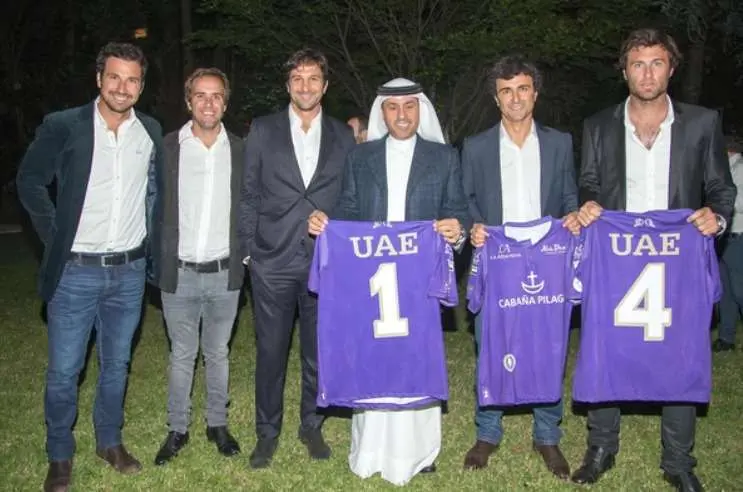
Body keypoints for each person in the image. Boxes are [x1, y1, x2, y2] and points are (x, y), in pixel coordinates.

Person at [573, 28, 735, 492]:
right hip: (617, 259)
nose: (647, 73)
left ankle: (679, 460)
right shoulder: (600, 124)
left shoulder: (702, 123)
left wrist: (717, 218)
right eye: (638, 64)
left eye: (657, 63)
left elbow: (722, 189)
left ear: (672, 68)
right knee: (605, 345)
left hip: (677, 259)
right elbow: (588, 182)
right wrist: (588, 204)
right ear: (624, 71)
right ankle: (602, 446)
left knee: (681, 351)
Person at [16, 42, 163, 492]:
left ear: (141, 85)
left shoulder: (151, 131)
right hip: (76, 271)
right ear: (99, 79)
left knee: (117, 364)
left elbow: (154, 194)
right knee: (65, 370)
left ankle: (109, 441)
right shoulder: (65, 126)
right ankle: (59, 454)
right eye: (115, 77)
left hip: (129, 272)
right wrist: (55, 236)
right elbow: (29, 181)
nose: (123, 87)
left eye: (132, 79)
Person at [308, 77, 470, 485]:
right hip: (373, 278)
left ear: (421, 110)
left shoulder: (444, 157)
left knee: (417, 359)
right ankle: (372, 448)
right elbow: (347, 207)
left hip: (418, 279)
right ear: (382, 112)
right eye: (393, 108)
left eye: (410, 107)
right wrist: (328, 225)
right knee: (374, 358)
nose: (402, 115)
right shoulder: (361, 158)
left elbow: (458, 210)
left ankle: (420, 451)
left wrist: (457, 229)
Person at [460, 55, 579, 478]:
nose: (515, 98)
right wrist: (474, 226)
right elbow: (466, 200)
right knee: (490, 343)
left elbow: (568, 195)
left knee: (548, 345)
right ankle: (488, 431)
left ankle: (547, 435)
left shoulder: (560, 142)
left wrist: (572, 217)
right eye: (506, 90)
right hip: (498, 260)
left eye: (523, 88)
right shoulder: (475, 147)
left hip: (546, 262)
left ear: (535, 93)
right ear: (497, 98)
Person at [238, 48, 355, 468]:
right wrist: (250, 252)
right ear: (287, 85)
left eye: (313, 79)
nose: (305, 86)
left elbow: (352, 198)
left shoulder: (343, 135)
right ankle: (267, 434)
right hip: (271, 260)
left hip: (325, 263)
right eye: (297, 79)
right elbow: (249, 193)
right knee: (270, 352)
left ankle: (312, 426)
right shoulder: (264, 130)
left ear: (325, 85)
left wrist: (335, 220)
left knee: (317, 352)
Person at [152, 68, 244, 465]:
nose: (209, 103)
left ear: (226, 101)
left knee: (219, 352)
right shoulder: (168, 147)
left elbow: (254, 205)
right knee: (182, 354)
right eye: (200, 96)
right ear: (188, 101)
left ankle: (217, 424)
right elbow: (150, 203)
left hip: (226, 272)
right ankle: (178, 428)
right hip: (180, 272)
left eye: (216, 95)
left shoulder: (241, 150)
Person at [713, 135, 743, 352]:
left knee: (740, 289)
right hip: (723, 238)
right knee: (726, 292)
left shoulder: (739, 170)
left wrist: (722, 202)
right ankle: (726, 338)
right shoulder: (723, 172)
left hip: (738, 236)